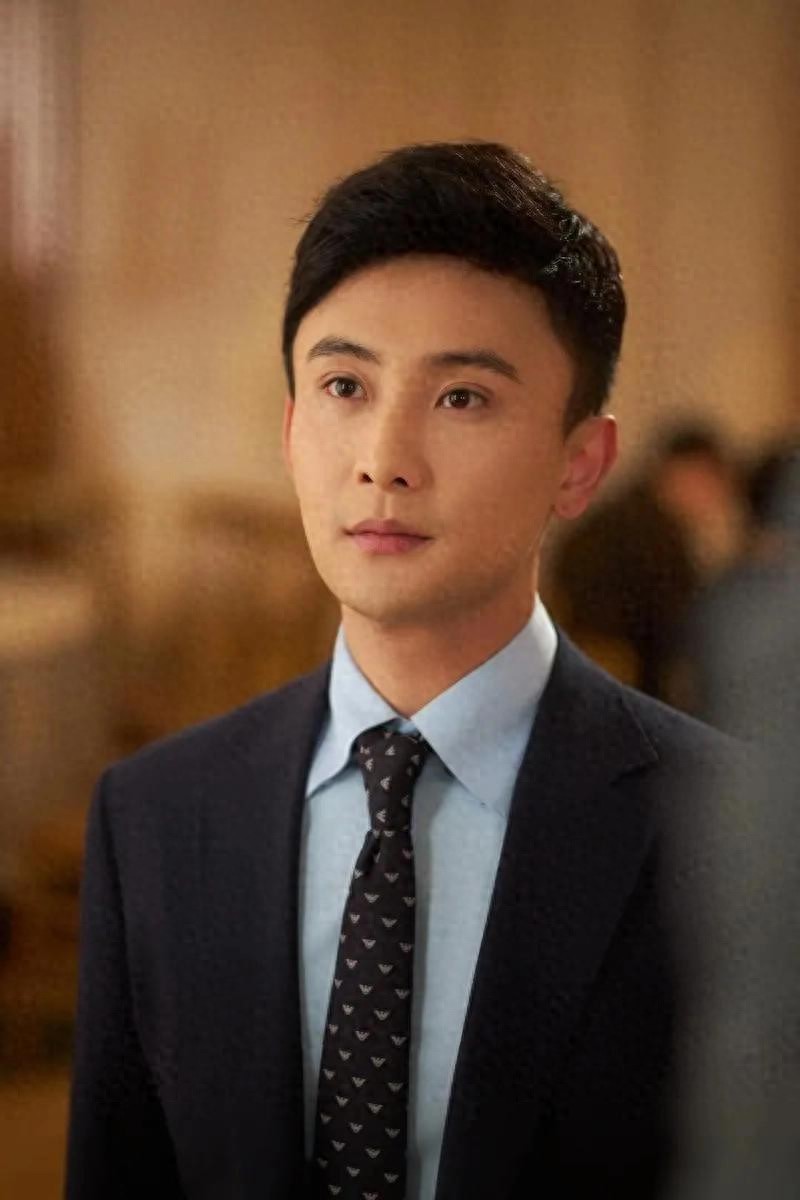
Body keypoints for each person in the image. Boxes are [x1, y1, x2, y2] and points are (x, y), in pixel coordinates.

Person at [65, 142, 737, 1200]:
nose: (383, 459)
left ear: (579, 465)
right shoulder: (154, 818)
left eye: (461, 397)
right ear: (293, 429)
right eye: (344, 386)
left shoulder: (739, 833)